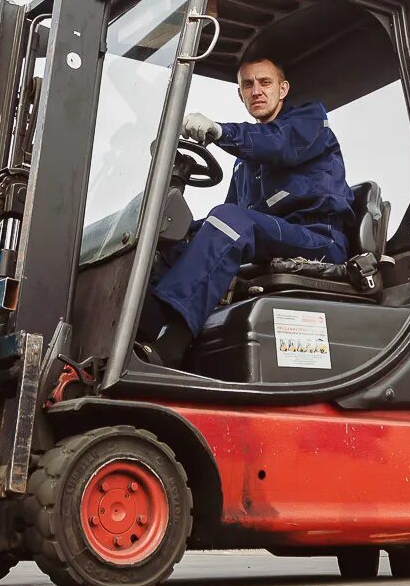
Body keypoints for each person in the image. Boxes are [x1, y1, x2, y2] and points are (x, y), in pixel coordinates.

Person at [140, 53, 353, 362]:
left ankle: (172, 344)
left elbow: (279, 145)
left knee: (229, 221)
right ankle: (139, 334)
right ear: (240, 94)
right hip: (274, 241)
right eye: (248, 85)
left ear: (283, 89)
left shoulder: (309, 123)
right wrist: (181, 235)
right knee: (177, 239)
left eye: (265, 82)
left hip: (319, 239)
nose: (257, 90)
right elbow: (228, 216)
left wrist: (221, 131)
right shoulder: (245, 163)